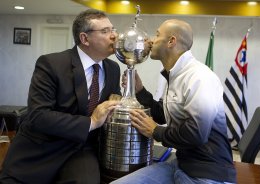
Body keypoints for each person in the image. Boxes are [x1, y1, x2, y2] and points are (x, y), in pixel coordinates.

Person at [0, 9, 121, 184]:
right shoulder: (51, 64)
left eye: (113, 29)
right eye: (105, 31)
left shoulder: (113, 69)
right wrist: (92, 122)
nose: (114, 36)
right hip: (41, 149)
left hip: (81, 151)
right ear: (84, 39)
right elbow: (38, 116)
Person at [112, 19, 236, 184]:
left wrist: (156, 131)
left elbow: (196, 134)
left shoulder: (199, 77)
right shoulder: (175, 74)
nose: (150, 41)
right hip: (181, 164)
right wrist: (140, 90)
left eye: (156, 35)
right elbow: (165, 115)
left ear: (171, 41)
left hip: (206, 173)